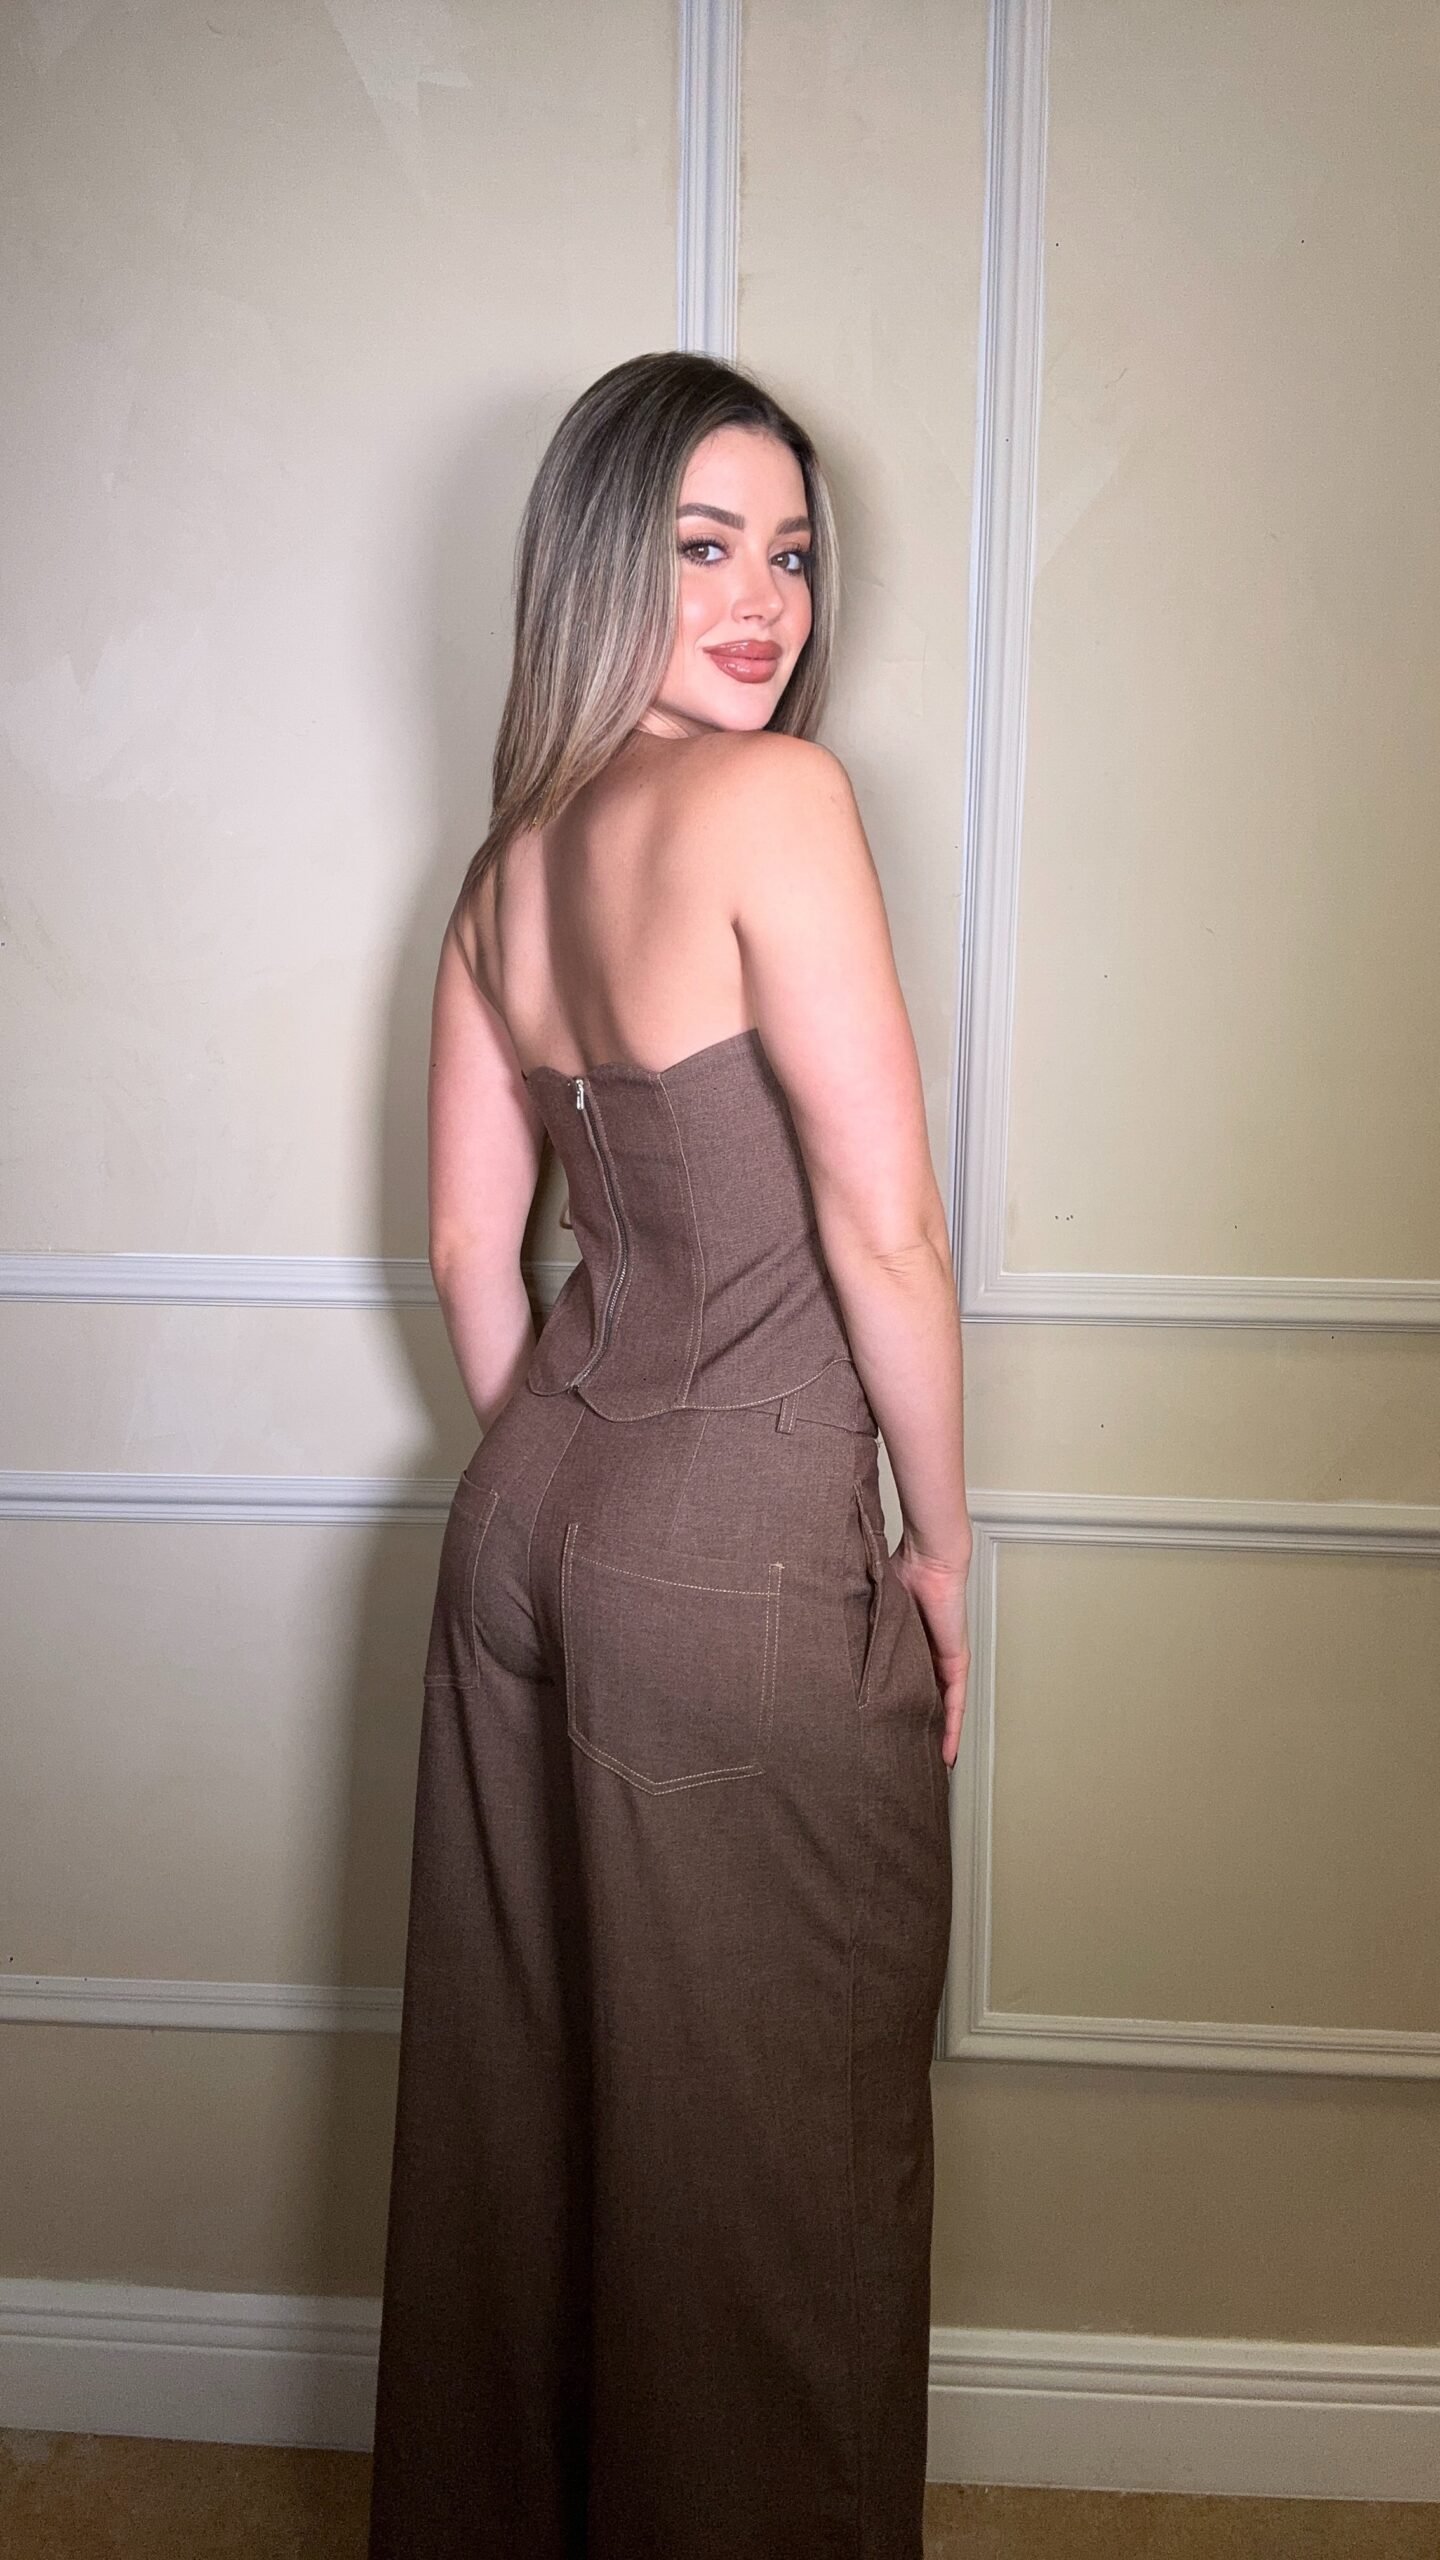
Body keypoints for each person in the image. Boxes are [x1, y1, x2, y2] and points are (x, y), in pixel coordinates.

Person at [367, 350, 972, 2560]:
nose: (763, 601)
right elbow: (884, 1231)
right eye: (703, 546)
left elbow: (473, 1248)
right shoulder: (776, 802)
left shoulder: (500, 871)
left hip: (526, 1527)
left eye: (791, 552)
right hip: (739, 1560)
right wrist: (945, 1549)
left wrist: (578, 1478)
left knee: (539, 2126)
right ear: (600, 563)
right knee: (776, 2175)